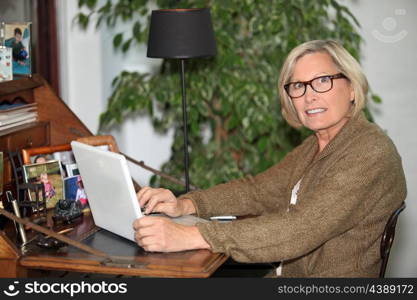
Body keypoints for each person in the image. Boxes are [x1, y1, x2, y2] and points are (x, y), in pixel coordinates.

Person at [134, 40, 407, 277]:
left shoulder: (369, 152)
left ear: (352, 88)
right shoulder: (317, 145)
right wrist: (187, 204)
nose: (309, 96)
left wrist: (191, 236)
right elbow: (257, 191)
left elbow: (301, 229)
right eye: (298, 86)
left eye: (323, 81)